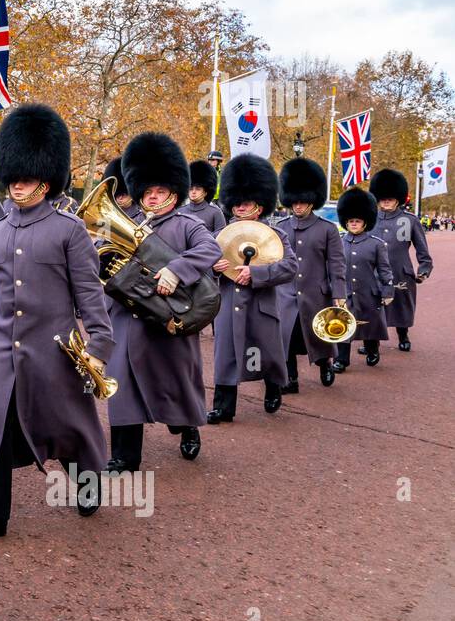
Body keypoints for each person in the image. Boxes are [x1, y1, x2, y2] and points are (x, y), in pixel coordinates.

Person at [0, 104, 112, 546]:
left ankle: (86, 480)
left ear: (46, 180)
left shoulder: (69, 231)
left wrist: (98, 346)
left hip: (54, 351)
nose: (19, 182)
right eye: (16, 174)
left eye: (28, 176)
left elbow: (88, 293)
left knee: (64, 426)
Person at [105, 133, 220, 470]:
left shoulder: (188, 224)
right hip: (129, 320)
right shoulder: (129, 225)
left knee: (175, 383)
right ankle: (124, 457)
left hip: (172, 316)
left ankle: (186, 427)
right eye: (148, 192)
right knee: (123, 385)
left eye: (160, 192)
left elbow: (210, 249)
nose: (153, 198)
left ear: (174, 193)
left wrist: (177, 269)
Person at [209, 155, 297, 423]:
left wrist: (257, 273)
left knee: (267, 353)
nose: (239, 208)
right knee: (225, 356)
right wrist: (214, 269)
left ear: (259, 207)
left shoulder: (277, 235)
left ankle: (273, 388)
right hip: (227, 303)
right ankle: (224, 407)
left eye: (245, 204)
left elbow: (289, 267)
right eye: (236, 203)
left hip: (261, 305)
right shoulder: (220, 236)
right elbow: (203, 268)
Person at [275, 157, 346, 391]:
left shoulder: (327, 229)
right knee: (286, 337)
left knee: (318, 337)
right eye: (294, 201)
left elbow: (336, 264)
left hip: (316, 294)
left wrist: (339, 293)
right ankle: (291, 378)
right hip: (285, 294)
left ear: (311, 201)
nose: (298, 206)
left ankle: (325, 363)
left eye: (303, 201)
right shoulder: (281, 227)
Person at [368, 169, 433, 352]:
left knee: (401, 306)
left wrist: (423, 270)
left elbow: (422, 251)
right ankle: (371, 343)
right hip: (373, 272)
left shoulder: (409, 220)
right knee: (372, 306)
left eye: (390, 198)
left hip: (400, 270)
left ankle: (403, 335)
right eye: (383, 198)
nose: (386, 201)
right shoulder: (369, 219)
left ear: (398, 199)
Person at [331, 188, 393, 372]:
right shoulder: (339, 242)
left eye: (357, 221)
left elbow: (384, 269)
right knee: (342, 325)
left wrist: (388, 290)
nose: (354, 224)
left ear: (365, 222)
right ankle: (341, 360)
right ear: (345, 222)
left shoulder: (377, 244)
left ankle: (372, 349)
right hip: (345, 292)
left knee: (370, 326)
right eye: (351, 221)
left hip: (369, 292)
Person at [185, 159, 227, 233]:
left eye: (198, 189)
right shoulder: (180, 211)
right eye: (191, 189)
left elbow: (222, 237)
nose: (193, 192)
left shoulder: (215, 212)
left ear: (205, 192)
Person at [102, 156, 144, 222]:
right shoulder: (104, 213)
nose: (120, 198)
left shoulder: (142, 216)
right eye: (116, 195)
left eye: (123, 194)